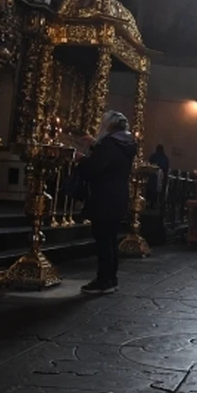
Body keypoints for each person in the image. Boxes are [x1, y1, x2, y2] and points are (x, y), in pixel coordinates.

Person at [75, 110, 137, 295]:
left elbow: (95, 168)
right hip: (119, 196)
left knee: (103, 239)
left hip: (104, 197)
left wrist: (81, 160)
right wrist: (95, 146)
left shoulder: (110, 144)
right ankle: (112, 278)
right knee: (110, 238)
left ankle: (103, 281)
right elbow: (112, 159)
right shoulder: (127, 143)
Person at [147, 144, 170, 210]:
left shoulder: (163, 157)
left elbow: (166, 167)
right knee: (153, 189)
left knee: (157, 189)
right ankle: (152, 203)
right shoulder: (155, 156)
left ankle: (155, 203)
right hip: (154, 175)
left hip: (159, 175)